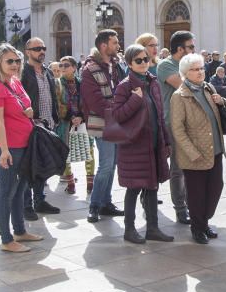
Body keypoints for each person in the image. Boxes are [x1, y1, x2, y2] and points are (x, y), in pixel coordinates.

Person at [0, 44, 44, 253]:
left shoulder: (15, 82)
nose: (14, 64)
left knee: (20, 190)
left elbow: (22, 107)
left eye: (17, 61)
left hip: (25, 144)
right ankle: (6, 239)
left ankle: (20, 230)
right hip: (10, 147)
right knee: (6, 192)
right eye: (9, 61)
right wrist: (5, 151)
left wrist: (27, 112)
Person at [113, 44, 174, 244]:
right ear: (129, 63)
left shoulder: (152, 82)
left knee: (152, 187)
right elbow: (117, 116)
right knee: (134, 188)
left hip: (154, 143)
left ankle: (153, 228)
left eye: (145, 59)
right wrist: (134, 100)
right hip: (134, 146)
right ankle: (129, 230)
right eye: (138, 60)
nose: (143, 63)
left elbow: (159, 114)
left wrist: (165, 141)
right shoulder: (125, 86)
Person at [170, 53, 226, 244]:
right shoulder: (179, 96)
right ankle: (198, 227)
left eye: (201, 68)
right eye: (195, 69)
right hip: (195, 155)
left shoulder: (208, 88)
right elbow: (177, 129)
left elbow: (219, 110)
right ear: (185, 73)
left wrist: (222, 102)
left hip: (215, 149)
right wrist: (192, 153)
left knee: (215, 187)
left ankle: (204, 220)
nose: (200, 72)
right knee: (197, 194)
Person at [81, 29, 126, 222]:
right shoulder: (89, 69)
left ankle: (106, 202)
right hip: (102, 124)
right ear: (103, 45)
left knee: (112, 164)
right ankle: (95, 205)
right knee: (106, 165)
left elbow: (124, 89)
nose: (118, 46)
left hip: (117, 122)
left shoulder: (116, 65)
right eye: (115, 42)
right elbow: (95, 102)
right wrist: (119, 109)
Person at [157, 30, 196, 225]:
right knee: (178, 168)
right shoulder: (166, 65)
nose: (193, 50)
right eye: (190, 47)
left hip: (191, 122)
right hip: (172, 122)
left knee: (191, 166)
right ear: (180, 49)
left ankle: (192, 203)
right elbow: (186, 87)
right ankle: (180, 208)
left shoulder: (189, 66)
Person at [22, 38, 61, 217]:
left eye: (43, 48)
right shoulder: (23, 72)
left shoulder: (47, 72)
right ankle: (26, 205)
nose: (41, 51)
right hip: (31, 126)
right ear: (28, 51)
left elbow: (53, 96)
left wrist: (55, 117)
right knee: (29, 167)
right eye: (37, 48)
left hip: (48, 125)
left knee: (43, 165)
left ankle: (40, 200)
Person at [57, 55, 94, 194]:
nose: (62, 68)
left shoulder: (82, 83)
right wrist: (70, 117)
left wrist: (81, 117)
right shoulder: (57, 84)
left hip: (83, 122)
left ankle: (90, 184)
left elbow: (88, 102)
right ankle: (70, 183)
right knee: (65, 153)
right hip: (65, 123)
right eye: (61, 65)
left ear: (74, 67)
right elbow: (57, 104)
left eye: (66, 65)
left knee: (89, 150)